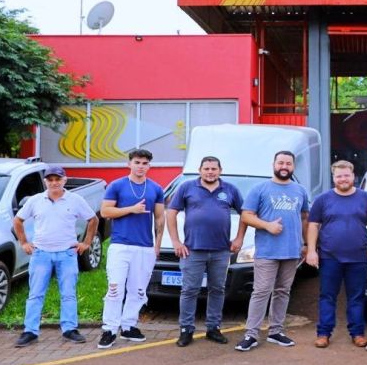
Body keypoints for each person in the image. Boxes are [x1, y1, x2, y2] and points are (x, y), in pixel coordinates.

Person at [12, 165, 98, 348]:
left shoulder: (75, 200)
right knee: (35, 294)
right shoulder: (36, 200)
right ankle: (30, 331)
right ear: (45, 182)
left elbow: (93, 219)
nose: (54, 183)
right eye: (50, 180)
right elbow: (18, 220)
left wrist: (86, 243)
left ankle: (69, 329)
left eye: (57, 179)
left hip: (67, 253)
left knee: (68, 293)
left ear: (64, 180)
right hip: (41, 253)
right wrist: (24, 243)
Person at [165, 156, 245, 347]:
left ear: (220, 170)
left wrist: (240, 238)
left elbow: (246, 213)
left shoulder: (230, 190)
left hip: (221, 251)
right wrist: (176, 241)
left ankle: (213, 328)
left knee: (217, 289)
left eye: (214, 169)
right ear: (200, 170)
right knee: (189, 290)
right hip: (192, 250)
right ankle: (186, 330)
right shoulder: (187, 187)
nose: (210, 172)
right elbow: (171, 212)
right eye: (206, 168)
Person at [235, 151, 310, 352]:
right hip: (267, 250)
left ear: (293, 167)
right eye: (280, 162)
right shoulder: (260, 189)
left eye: (288, 163)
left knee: (283, 291)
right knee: (261, 292)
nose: (284, 166)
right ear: (273, 164)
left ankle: (276, 331)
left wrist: (306, 244)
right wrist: (267, 225)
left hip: (292, 250)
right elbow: (246, 216)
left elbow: (304, 218)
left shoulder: (300, 191)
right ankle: (251, 334)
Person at [98, 149, 166, 349]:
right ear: (129, 164)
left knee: (137, 290)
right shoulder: (117, 186)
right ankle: (109, 329)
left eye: (145, 163)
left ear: (149, 166)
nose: (141, 166)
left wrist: (157, 245)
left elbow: (160, 217)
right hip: (121, 245)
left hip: (145, 247)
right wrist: (131, 209)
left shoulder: (155, 188)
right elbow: (105, 211)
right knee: (115, 288)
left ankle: (128, 326)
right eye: (137, 162)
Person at [308, 160, 367, 348]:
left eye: (346, 175)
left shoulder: (366, 198)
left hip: (358, 257)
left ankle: (357, 333)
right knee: (327, 296)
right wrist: (311, 250)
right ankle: (323, 333)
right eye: (339, 176)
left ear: (353, 176)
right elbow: (313, 225)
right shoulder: (323, 199)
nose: (343, 179)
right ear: (333, 178)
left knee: (357, 296)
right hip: (329, 257)